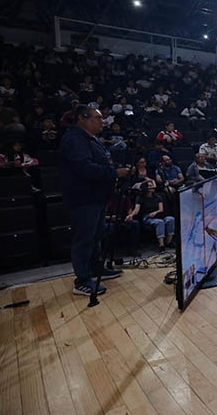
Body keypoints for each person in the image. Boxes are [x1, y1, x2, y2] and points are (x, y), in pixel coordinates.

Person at [59, 106, 128, 296]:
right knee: (84, 239)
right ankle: (82, 280)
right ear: (82, 118)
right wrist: (115, 173)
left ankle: (96, 269)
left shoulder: (90, 138)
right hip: (83, 198)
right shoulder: (75, 139)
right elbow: (85, 168)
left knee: (96, 236)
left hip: (96, 196)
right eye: (97, 118)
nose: (101, 121)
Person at [131, 182, 175, 251]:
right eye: (150, 186)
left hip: (158, 214)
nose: (152, 187)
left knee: (170, 219)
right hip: (148, 217)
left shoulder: (158, 197)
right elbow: (136, 210)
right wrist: (131, 215)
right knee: (160, 222)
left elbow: (161, 209)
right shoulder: (140, 198)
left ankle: (169, 242)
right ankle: (161, 244)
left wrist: (155, 212)